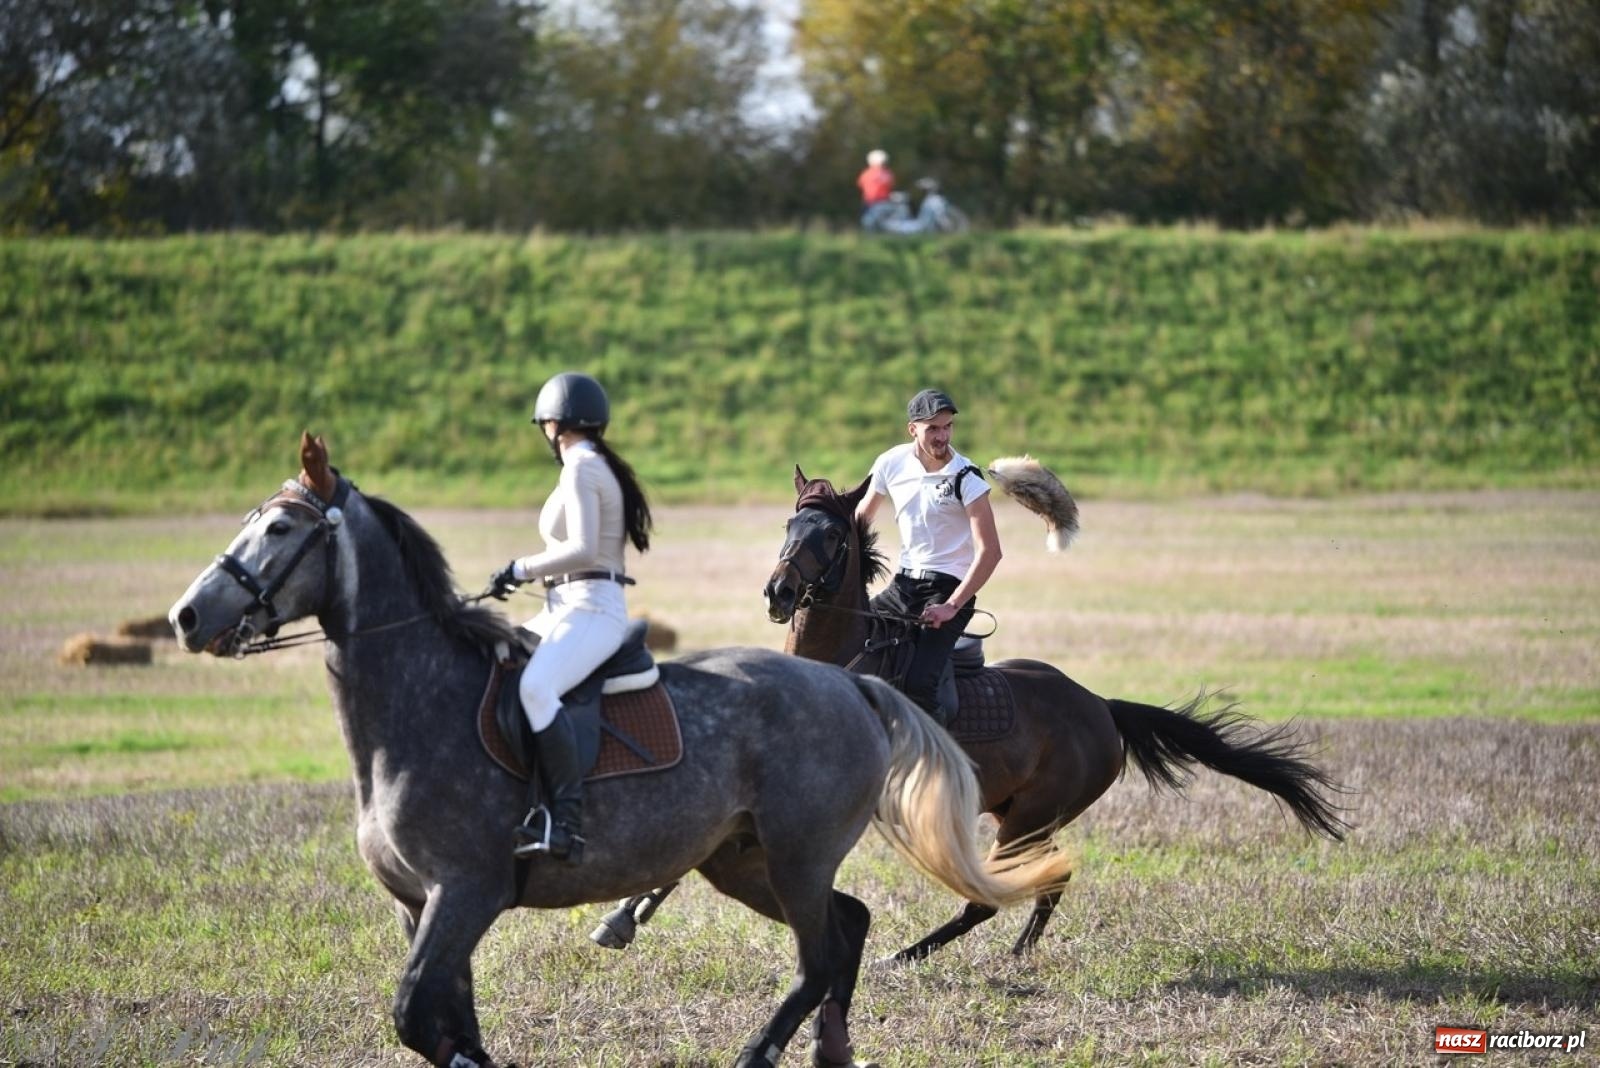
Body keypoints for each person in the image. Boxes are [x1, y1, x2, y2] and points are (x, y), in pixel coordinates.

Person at [488, 371, 652, 862]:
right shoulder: (590, 463)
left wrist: (520, 568)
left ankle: (566, 822)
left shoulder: (581, 468)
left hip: (592, 610)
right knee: (493, 659)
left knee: (536, 688)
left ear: (554, 423)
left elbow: (582, 549)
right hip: (563, 606)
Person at [855, 388, 1001, 725]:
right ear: (913, 429)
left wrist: (951, 605)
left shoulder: (966, 477)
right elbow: (860, 520)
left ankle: (941, 767)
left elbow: (991, 552)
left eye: (947, 427)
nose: (942, 436)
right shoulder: (890, 462)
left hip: (948, 589)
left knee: (919, 685)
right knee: (857, 647)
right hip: (902, 586)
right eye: (932, 428)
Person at [857, 149, 895, 227]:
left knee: (869, 224)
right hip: (881, 202)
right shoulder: (887, 173)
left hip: (870, 202)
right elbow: (891, 184)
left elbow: (860, 184)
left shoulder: (866, 173)